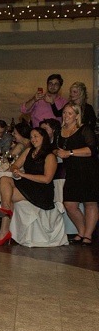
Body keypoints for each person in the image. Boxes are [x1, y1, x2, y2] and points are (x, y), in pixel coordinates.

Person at [0, 127, 57, 245]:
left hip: (41, 189)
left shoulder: (50, 156)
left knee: (8, 195)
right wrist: (16, 170)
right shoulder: (29, 151)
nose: (33, 139)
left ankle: (3, 232)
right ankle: (6, 209)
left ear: (44, 138)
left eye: (36, 136)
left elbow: (47, 179)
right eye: (31, 137)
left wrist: (23, 175)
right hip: (27, 184)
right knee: (4, 179)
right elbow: (14, 166)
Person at [54, 103, 99, 245]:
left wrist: (70, 153)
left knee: (90, 203)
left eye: (70, 113)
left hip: (88, 170)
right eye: (64, 113)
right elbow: (54, 148)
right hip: (72, 171)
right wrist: (58, 152)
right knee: (69, 204)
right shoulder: (60, 130)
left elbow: (91, 150)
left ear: (77, 116)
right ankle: (82, 230)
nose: (66, 116)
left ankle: (88, 235)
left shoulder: (84, 129)